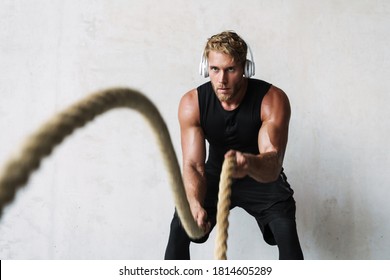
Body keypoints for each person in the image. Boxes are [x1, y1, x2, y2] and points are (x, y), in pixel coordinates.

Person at [164, 31, 303, 260]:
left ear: (245, 68)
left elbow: (273, 161)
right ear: (205, 67)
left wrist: (248, 163)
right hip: (213, 175)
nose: (221, 80)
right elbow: (193, 164)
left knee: (285, 235)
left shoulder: (272, 100)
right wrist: (195, 202)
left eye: (231, 69)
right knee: (182, 225)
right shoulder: (192, 103)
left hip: (260, 174)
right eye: (214, 69)